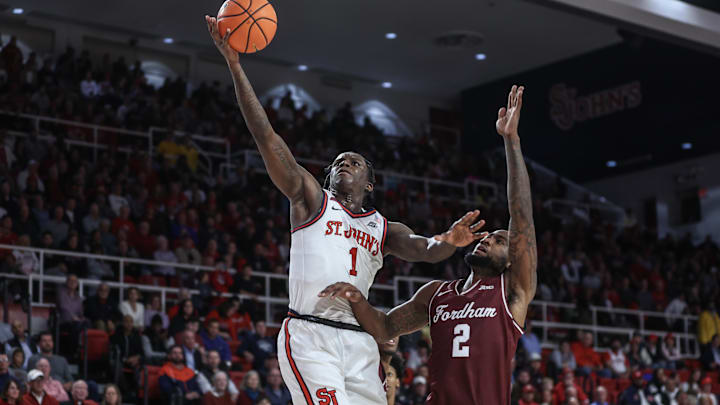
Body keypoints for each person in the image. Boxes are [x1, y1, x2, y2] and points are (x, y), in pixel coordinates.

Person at [207, 15, 491, 405]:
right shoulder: (311, 201)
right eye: (339, 162)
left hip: (360, 339)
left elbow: (428, 250)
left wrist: (451, 240)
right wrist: (236, 67)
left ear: (369, 184)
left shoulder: (383, 228)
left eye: (354, 162)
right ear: (327, 177)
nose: (345, 164)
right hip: (310, 334)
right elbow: (266, 136)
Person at [319, 86, 536, 405]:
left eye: (500, 240)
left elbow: (521, 214)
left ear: (510, 260)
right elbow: (387, 326)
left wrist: (511, 141)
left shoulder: (512, 292)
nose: (488, 239)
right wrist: (356, 298)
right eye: (488, 235)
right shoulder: (436, 295)